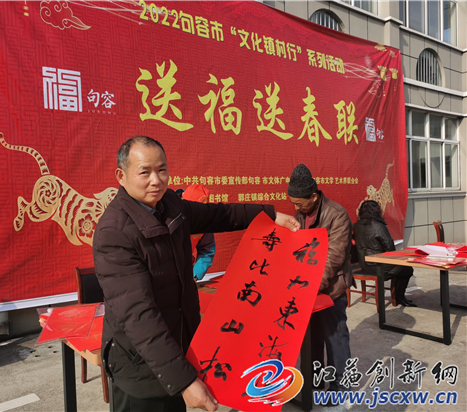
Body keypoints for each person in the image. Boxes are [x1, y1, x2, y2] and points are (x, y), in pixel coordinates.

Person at [93, 136, 299, 412]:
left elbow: (221, 214)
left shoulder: (170, 205)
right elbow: (139, 316)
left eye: (162, 170)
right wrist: (183, 381)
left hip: (179, 355)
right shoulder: (114, 233)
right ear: (121, 176)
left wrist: (270, 215)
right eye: (145, 172)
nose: (156, 180)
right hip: (140, 371)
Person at [287, 164, 353, 396]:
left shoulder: (337, 215)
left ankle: (340, 386)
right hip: (308, 289)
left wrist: (309, 286)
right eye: (293, 203)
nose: (296, 208)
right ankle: (313, 381)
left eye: (299, 203)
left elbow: (333, 259)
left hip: (331, 288)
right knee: (311, 338)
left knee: (335, 337)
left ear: (314, 196)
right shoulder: (301, 214)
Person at [353, 200, 415, 307]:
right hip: (377, 265)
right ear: (377, 211)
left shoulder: (356, 225)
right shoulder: (378, 226)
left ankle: (397, 296)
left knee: (401, 268)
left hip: (363, 264)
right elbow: (390, 248)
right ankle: (399, 297)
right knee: (407, 268)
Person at [180, 184, 216, 281]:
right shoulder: (166, 211)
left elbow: (207, 251)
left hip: (184, 272)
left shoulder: (204, 222)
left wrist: (194, 275)